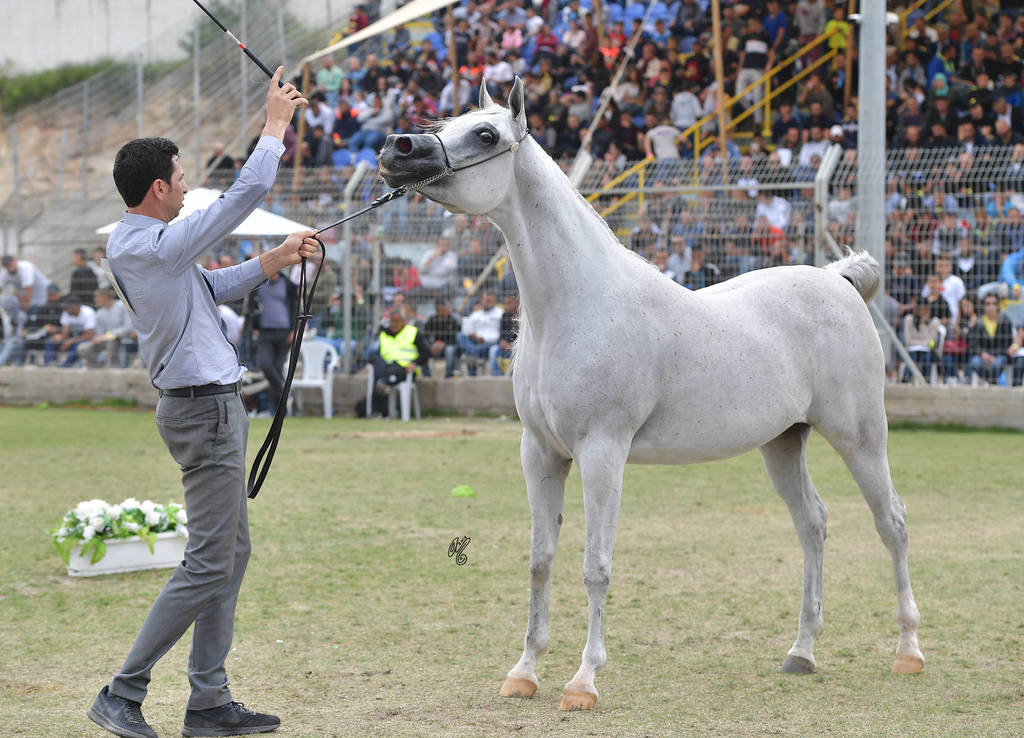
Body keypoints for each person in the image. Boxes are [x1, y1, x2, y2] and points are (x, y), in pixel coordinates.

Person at [86, 67, 312, 738]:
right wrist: (273, 125)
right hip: (203, 411)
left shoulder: (145, 245)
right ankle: (123, 693)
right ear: (159, 189)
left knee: (230, 555)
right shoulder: (151, 243)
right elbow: (243, 195)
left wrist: (273, 260)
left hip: (206, 408)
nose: (188, 187)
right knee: (212, 559)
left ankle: (210, 703)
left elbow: (209, 291)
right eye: (182, 178)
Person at [367, 307, 431, 416]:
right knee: (376, 360)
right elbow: (377, 353)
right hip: (386, 367)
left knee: (380, 379)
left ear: (403, 321)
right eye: (392, 321)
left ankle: (379, 407)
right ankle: (376, 410)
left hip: (405, 369)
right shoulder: (384, 334)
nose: (393, 324)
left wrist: (414, 363)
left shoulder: (413, 332)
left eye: (396, 321)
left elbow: (426, 353)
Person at [253, 267, 298, 415]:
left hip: (284, 332)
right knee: (264, 363)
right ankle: (284, 391)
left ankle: (278, 410)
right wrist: (254, 325)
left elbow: (295, 308)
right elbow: (252, 306)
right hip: (265, 331)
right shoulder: (258, 284)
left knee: (277, 367)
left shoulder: (288, 285)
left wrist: (293, 329)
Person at [77, 288, 135, 367]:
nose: (95, 300)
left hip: (124, 339)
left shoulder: (122, 306)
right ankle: (98, 366)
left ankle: (110, 368)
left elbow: (128, 327)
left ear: (105, 297)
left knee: (111, 342)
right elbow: (99, 333)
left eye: (97, 297)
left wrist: (109, 335)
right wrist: (100, 338)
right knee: (83, 348)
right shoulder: (100, 313)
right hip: (105, 340)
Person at [967, 294, 1014, 384]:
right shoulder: (979, 321)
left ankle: (991, 383)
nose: (991, 307)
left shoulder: (1005, 321)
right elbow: (974, 343)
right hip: (983, 355)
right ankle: (990, 382)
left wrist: (994, 356)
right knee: (975, 362)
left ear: (998, 305)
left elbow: (1008, 343)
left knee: (998, 363)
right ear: (983, 306)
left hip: (1000, 355)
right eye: (988, 304)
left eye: (994, 303)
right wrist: (983, 354)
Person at [456, 292, 503, 375]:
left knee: (471, 352)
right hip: (475, 342)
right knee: (460, 336)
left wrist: (484, 339)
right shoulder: (476, 314)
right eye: (484, 300)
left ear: (495, 302)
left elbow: (499, 335)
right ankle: (472, 352)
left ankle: (472, 353)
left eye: (488, 301)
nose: (485, 302)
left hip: (489, 344)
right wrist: (472, 335)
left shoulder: (500, 314)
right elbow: (467, 330)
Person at [43, 296, 96, 367]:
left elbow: (89, 335)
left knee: (78, 345)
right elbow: (65, 333)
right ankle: (47, 365)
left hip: (85, 340)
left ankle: (65, 366)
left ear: (75, 307)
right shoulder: (66, 313)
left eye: (67, 308)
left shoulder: (88, 312)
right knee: (51, 341)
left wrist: (71, 341)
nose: (65, 310)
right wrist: (60, 338)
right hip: (71, 339)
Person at [901, 301, 942, 382]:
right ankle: (905, 380)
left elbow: (931, 343)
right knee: (913, 356)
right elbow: (907, 340)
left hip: (928, 351)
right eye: (920, 309)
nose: (923, 312)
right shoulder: (909, 319)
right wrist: (923, 342)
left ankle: (926, 381)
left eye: (925, 310)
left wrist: (924, 324)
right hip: (912, 350)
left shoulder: (935, 322)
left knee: (926, 357)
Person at [423, 299, 461, 377]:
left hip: (449, 346)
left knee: (449, 350)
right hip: (435, 346)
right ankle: (427, 376)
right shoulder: (432, 320)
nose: (447, 309)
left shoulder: (453, 320)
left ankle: (449, 375)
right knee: (423, 350)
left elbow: (456, 338)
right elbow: (425, 336)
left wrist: (444, 344)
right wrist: (431, 345)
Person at [489, 293, 519, 376]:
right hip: (506, 349)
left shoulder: (523, 317)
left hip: (518, 348)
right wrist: (502, 342)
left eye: (509, 303)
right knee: (494, 350)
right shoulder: (505, 315)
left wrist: (514, 345)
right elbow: (501, 335)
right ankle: (496, 378)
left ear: (517, 303)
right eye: (505, 303)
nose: (506, 306)